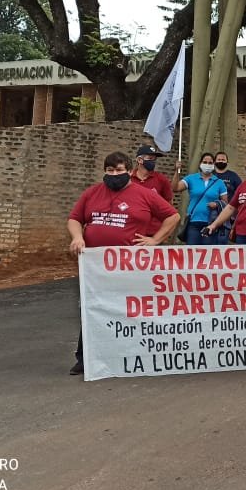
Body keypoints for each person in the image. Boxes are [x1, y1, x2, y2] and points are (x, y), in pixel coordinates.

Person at [67, 152, 180, 375]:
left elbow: (173, 216)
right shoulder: (92, 193)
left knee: (127, 308)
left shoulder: (144, 194)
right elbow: (74, 219)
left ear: (129, 171)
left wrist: (155, 240)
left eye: (119, 170)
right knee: (91, 309)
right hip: (95, 265)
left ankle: (129, 352)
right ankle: (85, 357)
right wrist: (77, 237)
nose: (114, 174)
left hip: (129, 265)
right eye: (109, 170)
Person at [173, 152, 230, 245]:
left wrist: (217, 204)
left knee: (208, 252)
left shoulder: (219, 182)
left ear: (214, 164)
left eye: (210, 163)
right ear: (200, 163)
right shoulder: (191, 178)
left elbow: (225, 204)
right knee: (192, 251)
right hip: (193, 222)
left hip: (211, 224)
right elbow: (175, 188)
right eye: (205, 162)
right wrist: (176, 171)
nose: (207, 164)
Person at [210, 151, 244, 244]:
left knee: (222, 241)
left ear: (227, 162)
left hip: (227, 214)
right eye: (219, 159)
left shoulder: (233, 176)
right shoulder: (210, 175)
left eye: (223, 159)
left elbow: (241, 191)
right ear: (214, 161)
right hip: (210, 212)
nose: (221, 161)